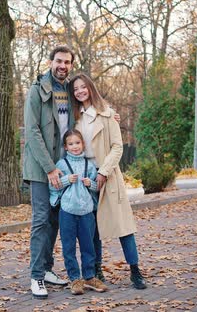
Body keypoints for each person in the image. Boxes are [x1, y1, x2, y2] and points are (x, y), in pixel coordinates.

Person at [68, 73, 148, 290]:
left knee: (123, 227)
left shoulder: (107, 114)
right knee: (92, 228)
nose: (80, 91)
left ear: (90, 88)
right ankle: (96, 270)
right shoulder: (75, 117)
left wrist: (103, 172)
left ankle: (135, 271)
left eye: (83, 87)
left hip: (108, 175)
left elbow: (118, 146)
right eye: (76, 89)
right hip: (85, 176)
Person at [23, 45, 76, 299]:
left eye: (67, 62)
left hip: (62, 168)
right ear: (50, 62)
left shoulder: (70, 91)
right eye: (58, 61)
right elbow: (32, 132)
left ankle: (46, 269)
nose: (62, 65)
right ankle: (35, 277)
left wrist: (112, 116)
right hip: (40, 168)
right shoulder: (37, 90)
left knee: (54, 220)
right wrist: (50, 168)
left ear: (71, 65)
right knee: (41, 219)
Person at [49, 129, 108, 295]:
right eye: (71, 144)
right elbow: (53, 186)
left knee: (88, 246)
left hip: (86, 212)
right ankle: (75, 279)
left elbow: (98, 188)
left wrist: (91, 184)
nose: (75, 146)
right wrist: (66, 180)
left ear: (82, 144)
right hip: (67, 211)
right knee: (68, 247)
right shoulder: (61, 165)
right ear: (66, 147)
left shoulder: (89, 165)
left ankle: (89, 276)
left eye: (77, 143)